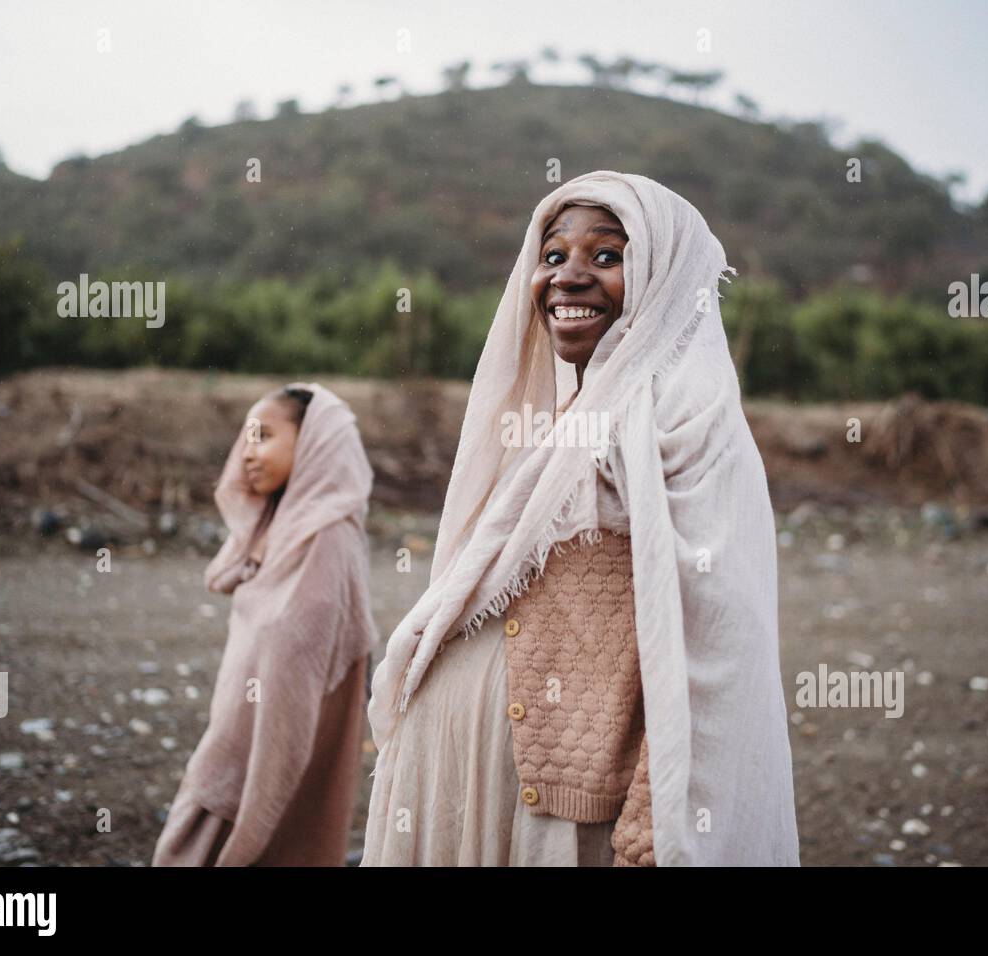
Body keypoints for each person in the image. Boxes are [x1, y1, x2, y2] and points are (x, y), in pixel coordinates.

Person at [361, 170, 800, 866]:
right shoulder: (567, 419)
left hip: (573, 811)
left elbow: (715, 638)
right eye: (554, 255)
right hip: (483, 787)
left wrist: (658, 819)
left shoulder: (690, 421)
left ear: (663, 275)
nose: (568, 277)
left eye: (607, 255)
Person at [152, 383, 379, 866]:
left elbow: (298, 644)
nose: (247, 453)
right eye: (246, 438)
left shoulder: (328, 536)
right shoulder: (280, 529)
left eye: (264, 436)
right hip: (247, 718)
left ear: (316, 444)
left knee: (253, 819)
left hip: (280, 728)